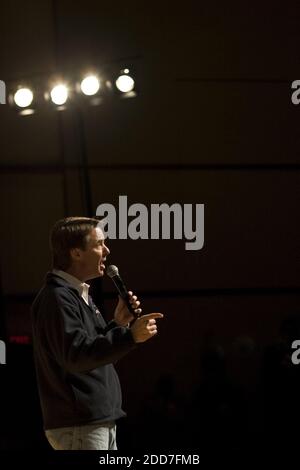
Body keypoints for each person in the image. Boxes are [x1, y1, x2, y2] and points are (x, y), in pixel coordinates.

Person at [31, 217, 163, 450]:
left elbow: (88, 346)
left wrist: (118, 324)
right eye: (99, 243)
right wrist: (129, 337)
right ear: (76, 253)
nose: (107, 250)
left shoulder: (75, 294)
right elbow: (77, 355)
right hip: (80, 423)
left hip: (91, 422)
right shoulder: (57, 298)